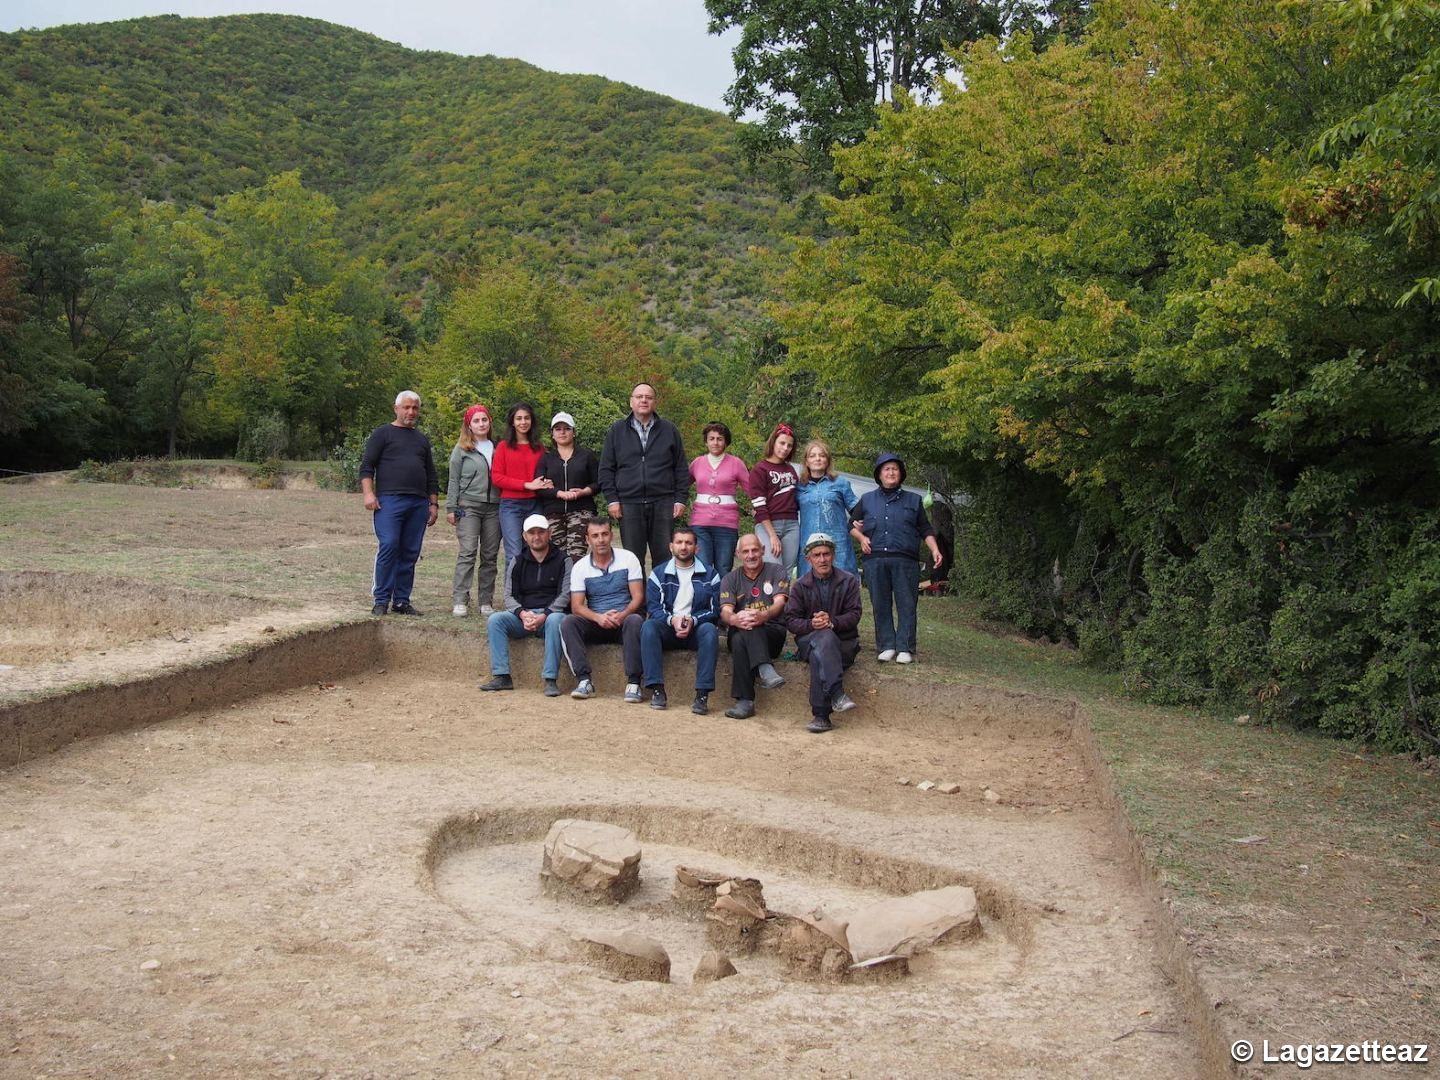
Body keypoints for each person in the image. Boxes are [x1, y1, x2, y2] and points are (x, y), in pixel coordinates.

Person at [849, 452, 944, 664]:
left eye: (895, 469)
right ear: (879, 474)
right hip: (875, 561)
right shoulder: (867, 500)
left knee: (906, 604)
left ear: (900, 474)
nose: (891, 472)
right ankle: (886, 646)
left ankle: (905, 648)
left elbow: (925, 528)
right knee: (880, 604)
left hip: (906, 561)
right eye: (886, 469)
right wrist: (862, 538)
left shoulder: (914, 500)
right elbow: (851, 526)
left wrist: (935, 549)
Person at [360, 390, 438, 616]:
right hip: (389, 501)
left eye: (415, 408)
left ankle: (402, 601)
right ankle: (381, 599)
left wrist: (433, 504)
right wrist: (368, 493)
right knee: (389, 545)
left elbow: (431, 475)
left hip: (418, 503)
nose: (411, 412)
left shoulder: (421, 439)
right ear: (396, 409)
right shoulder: (382, 434)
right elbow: (367, 466)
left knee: (410, 551)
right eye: (406, 407)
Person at [598, 382, 689, 574]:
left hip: (663, 501)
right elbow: (606, 468)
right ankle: (638, 602)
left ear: (655, 402)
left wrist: (680, 499)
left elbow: (680, 467)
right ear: (631, 401)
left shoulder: (669, 430)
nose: (644, 400)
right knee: (632, 558)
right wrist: (612, 499)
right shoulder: (617, 430)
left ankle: (661, 600)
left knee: (664, 556)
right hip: (628, 502)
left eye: (648, 397)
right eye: (639, 397)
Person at [479, 514, 572, 697]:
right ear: (524, 536)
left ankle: (550, 679)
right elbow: (508, 595)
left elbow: (565, 594)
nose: (536, 537)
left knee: (556, 620)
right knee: (495, 620)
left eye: (541, 532)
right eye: (532, 533)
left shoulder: (564, 560)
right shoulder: (517, 560)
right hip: (524, 617)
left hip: (549, 617)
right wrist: (522, 614)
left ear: (550, 533)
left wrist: (544, 615)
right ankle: (502, 676)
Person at [782, 532, 863, 734]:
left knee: (823, 648)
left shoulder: (849, 581)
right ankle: (837, 693)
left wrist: (832, 622)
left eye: (826, 554)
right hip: (809, 642)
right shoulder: (800, 585)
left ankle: (821, 716)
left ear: (833, 555)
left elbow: (855, 615)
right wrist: (812, 624)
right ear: (808, 559)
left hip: (843, 644)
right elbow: (791, 621)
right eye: (817, 555)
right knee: (821, 640)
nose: (822, 559)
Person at [560, 517, 645, 701]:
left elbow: (638, 597)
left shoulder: (628, 558)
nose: (601, 540)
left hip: (624, 621)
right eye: (595, 536)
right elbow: (576, 606)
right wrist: (598, 618)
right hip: (597, 622)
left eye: (605, 534)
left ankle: (634, 683)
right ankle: (584, 680)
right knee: (568, 622)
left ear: (611, 535)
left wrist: (622, 615)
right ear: (587, 540)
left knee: (635, 620)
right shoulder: (580, 567)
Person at [640, 525, 722, 714]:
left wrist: (693, 620)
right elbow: (653, 608)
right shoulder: (658, 574)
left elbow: (714, 610)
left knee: (710, 630)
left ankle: (702, 694)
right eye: (679, 542)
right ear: (671, 547)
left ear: (697, 548)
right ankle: (657, 690)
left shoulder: (711, 575)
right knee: (648, 627)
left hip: (696, 629)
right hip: (668, 628)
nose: (683, 547)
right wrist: (673, 620)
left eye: (688, 543)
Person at [718, 532, 790, 720]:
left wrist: (763, 615)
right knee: (743, 632)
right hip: (739, 630)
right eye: (746, 551)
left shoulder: (777, 571)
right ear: (738, 554)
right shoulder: (730, 579)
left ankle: (745, 701)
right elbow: (725, 612)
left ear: (763, 550)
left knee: (750, 626)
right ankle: (764, 668)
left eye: (755, 550)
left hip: (772, 633)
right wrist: (734, 619)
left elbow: (780, 602)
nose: (751, 555)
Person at [445, 404, 501, 617]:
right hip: (468, 506)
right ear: (469, 425)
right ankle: (460, 599)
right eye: (476, 421)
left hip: (494, 507)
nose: (481, 424)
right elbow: (453, 479)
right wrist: (452, 508)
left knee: (490, 554)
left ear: (489, 422)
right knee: (468, 551)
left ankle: (485, 600)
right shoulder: (461, 449)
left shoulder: (498, 447)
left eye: (484, 420)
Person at [491, 401, 547, 608]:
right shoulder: (504, 447)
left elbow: (544, 473)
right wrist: (526, 484)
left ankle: (530, 596)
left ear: (532, 421)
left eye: (526, 418)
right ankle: (511, 600)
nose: (523, 422)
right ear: (512, 422)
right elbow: (497, 478)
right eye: (519, 418)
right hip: (511, 505)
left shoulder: (539, 447)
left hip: (535, 504)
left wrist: (545, 482)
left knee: (534, 550)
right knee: (514, 552)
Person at [534, 411, 600, 562]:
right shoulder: (546, 458)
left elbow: (598, 483)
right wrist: (559, 493)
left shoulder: (586, 456)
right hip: (553, 512)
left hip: (581, 510)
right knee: (557, 557)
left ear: (574, 432)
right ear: (552, 434)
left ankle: (575, 585)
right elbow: (539, 485)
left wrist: (584, 492)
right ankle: (560, 586)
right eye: (558, 429)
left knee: (576, 556)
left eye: (567, 428)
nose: (562, 432)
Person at [688, 421, 750, 577]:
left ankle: (723, 601)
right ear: (706, 441)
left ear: (725, 442)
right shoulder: (697, 463)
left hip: (726, 524)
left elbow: (752, 490)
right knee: (702, 566)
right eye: (712, 438)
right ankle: (704, 601)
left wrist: (759, 509)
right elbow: (681, 485)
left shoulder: (736, 463)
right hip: (700, 523)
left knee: (724, 568)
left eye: (719, 439)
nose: (715, 442)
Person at [795, 438, 859, 576]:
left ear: (828, 460)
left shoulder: (840, 483)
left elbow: (857, 510)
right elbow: (786, 510)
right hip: (809, 543)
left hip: (838, 544)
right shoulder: (799, 487)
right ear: (806, 461)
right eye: (812, 456)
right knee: (810, 587)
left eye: (822, 455)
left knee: (842, 585)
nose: (817, 459)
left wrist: (860, 526)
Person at [748, 423, 800, 571]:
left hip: (792, 525)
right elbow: (759, 504)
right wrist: (772, 535)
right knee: (773, 570)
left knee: (787, 573)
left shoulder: (791, 470)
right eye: (782, 443)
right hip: (768, 525)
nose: (785, 448)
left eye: (789, 446)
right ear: (773, 442)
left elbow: (797, 498)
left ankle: (784, 595)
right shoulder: (760, 469)